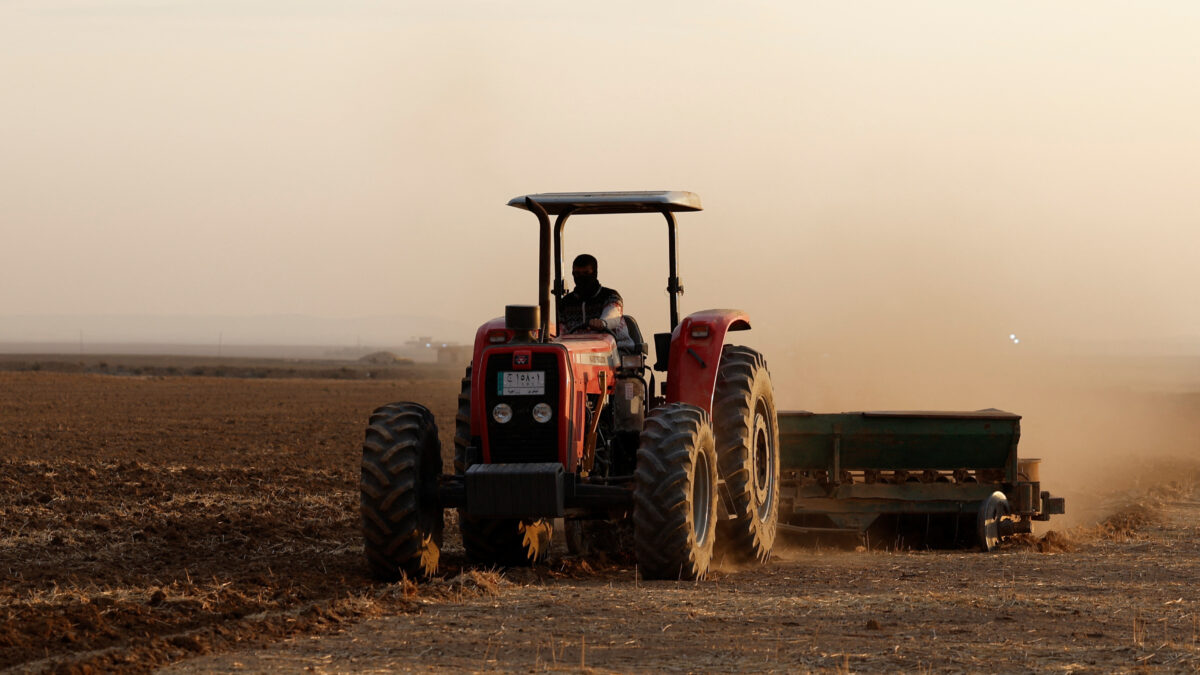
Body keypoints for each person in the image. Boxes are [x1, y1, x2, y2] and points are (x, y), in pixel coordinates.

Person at [558, 253, 634, 350]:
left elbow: (612, 315)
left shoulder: (611, 296)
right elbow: (561, 331)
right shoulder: (566, 303)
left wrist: (602, 322)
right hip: (578, 352)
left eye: (586, 273)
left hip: (615, 351)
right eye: (577, 274)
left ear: (595, 273)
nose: (581, 277)